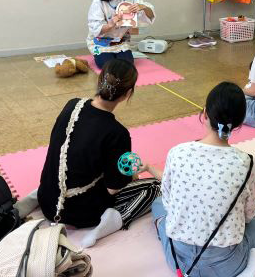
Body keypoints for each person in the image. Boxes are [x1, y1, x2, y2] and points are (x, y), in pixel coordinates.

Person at [152, 82, 255, 277]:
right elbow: (248, 217)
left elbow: (169, 203)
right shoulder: (247, 163)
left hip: (178, 258)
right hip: (227, 265)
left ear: (205, 113)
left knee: (158, 203)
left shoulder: (177, 152)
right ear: (240, 123)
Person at [36, 60, 162, 247]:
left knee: (67, 170)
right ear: (128, 94)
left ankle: (32, 198)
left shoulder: (73, 105)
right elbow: (113, 188)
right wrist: (132, 174)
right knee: (154, 187)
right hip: (81, 213)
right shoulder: (117, 132)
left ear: (99, 80)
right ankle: (110, 223)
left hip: (47, 199)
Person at [87, 0, 155, 68]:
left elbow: (150, 15)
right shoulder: (98, 2)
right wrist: (110, 24)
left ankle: (118, 55)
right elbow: (95, 29)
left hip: (120, 42)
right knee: (106, 64)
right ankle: (99, 55)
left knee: (127, 64)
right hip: (101, 43)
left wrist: (143, 7)